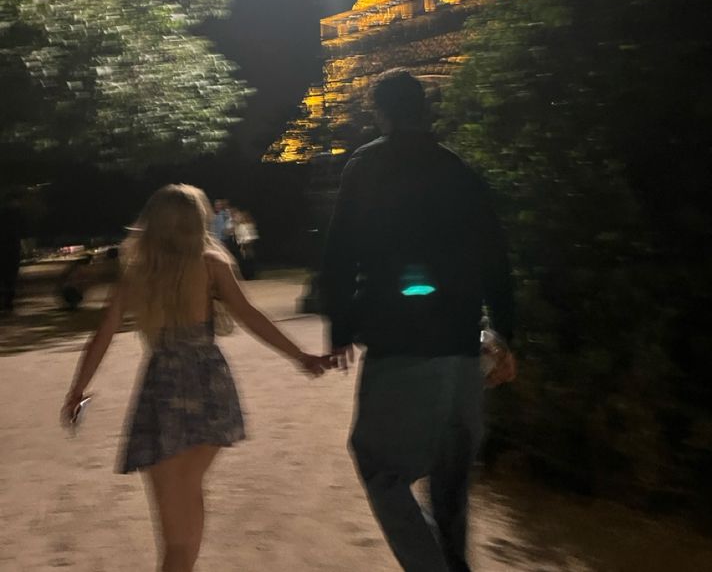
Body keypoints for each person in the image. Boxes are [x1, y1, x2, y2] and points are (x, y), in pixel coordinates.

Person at [62, 184, 328, 572]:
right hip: (208, 387)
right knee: (188, 501)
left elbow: (102, 334)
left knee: (176, 534)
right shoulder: (210, 264)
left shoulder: (138, 272)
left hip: (162, 393)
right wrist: (299, 356)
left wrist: (77, 389)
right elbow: (250, 316)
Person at [321, 70, 517, 572]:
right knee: (451, 487)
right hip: (462, 348)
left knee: (380, 467)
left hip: (401, 343)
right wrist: (504, 335)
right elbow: (496, 257)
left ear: (380, 112)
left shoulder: (367, 167)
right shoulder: (459, 170)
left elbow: (341, 252)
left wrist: (341, 328)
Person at [231, 208, 259, 280]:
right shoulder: (238, 226)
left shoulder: (246, 225)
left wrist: (244, 245)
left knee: (247, 259)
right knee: (245, 260)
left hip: (246, 243)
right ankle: (246, 275)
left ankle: (249, 275)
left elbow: (248, 237)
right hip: (242, 243)